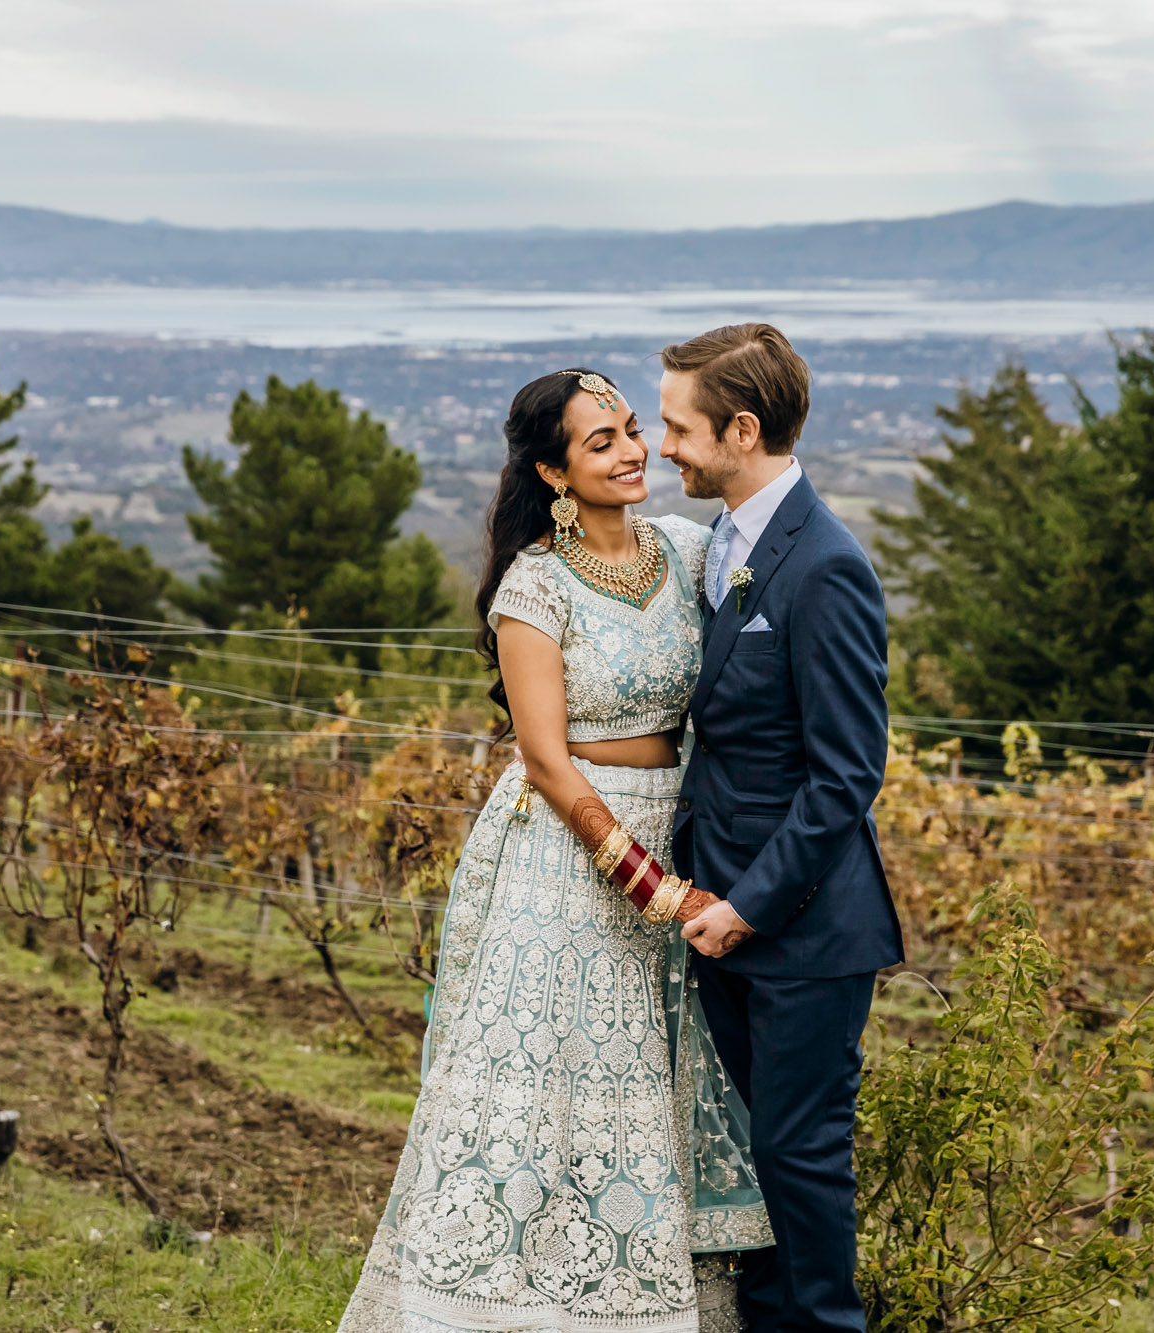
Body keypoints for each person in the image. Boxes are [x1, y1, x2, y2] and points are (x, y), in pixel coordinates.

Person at [337, 368, 772, 1333]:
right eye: (600, 442)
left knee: (667, 1075)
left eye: (630, 429)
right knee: (555, 1083)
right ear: (554, 470)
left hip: (682, 822)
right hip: (569, 855)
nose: (630, 452)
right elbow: (545, 759)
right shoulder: (536, 583)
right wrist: (654, 889)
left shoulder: (690, 550)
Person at [659, 324, 903, 1333]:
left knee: (798, 1161)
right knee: (758, 1163)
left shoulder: (825, 567)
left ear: (741, 428)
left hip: (800, 929)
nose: (663, 445)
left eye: (678, 426)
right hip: (718, 911)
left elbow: (846, 775)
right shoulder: (719, 543)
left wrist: (748, 910)